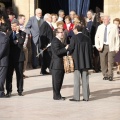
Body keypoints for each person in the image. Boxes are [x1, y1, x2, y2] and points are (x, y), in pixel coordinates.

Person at [68, 24, 92, 102]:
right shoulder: (87, 38)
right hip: (85, 62)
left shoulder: (74, 38)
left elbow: (71, 48)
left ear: (76, 29)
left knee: (76, 80)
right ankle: (86, 97)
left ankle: (76, 97)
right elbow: (90, 50)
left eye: (74, 29)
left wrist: (68, 52)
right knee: (85, 79)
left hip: (77, 61)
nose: (73, 30)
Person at [95, 15, 119, 81]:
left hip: (111, 46)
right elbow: (96, 37)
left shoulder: (114, 27)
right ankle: (105, 74)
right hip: (102, 46)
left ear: (109, 20)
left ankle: (110, 75)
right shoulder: (100, 27)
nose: (104, 20)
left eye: (106, 19)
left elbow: (117, 38)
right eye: (103, 19)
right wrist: (98, 46)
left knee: (110, 61)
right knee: (103, 62)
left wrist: (117, 47)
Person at [6, 19, 26, 97]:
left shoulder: (23, 33)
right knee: (9, 75)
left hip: (19, 58)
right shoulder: (8, 34)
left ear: (18, 26)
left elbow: (21, 42)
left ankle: (20, 90)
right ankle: (8, 91)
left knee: (19, 75)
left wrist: (17, 33)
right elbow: (8, 43)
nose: (13, 27)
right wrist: (15, 42)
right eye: (12, 26)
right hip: (10, 57)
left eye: (14, 26)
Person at [50, 28, 68, 100]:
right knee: (57, 81)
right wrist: (65, 48)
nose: (62, 33)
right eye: (61, 32)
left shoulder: (59, 40)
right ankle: (56, 96)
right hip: (56, 65)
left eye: (62, 32)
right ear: (57, 33)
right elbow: (57, 52)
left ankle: (58, 95)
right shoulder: (55, 41)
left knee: (59, 81)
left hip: (60, 64)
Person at [0, 24, 9, 98]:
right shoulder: (5, 37)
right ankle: (1, 93)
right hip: (3, 61)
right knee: (2, 78)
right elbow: (2, 50)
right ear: (7, 30)